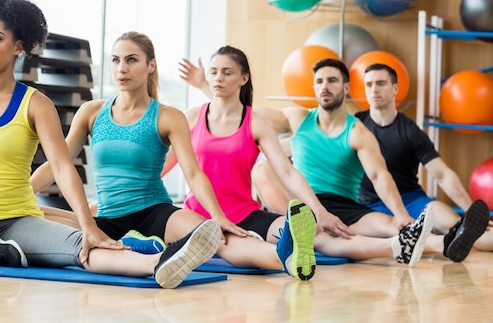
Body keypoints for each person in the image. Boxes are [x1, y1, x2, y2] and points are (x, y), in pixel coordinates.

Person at [0, 0, 220, 289]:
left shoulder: (34, 103)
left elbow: (63, 166)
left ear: (19, 45)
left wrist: (87, 224)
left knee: (85, 250)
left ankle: (162, 261)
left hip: (17, 223)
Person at [31, 32, 319, 280]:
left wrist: (217, 216)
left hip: (156, 214)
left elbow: (193, 173)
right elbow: (60, 161)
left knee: (216, 239)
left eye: (131, 60)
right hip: (106, 217)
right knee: (33, 215)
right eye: (116, 60)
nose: (122, 68)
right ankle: (148, 251)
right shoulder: (91, 112)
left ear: (150, 66)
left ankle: (287, 257)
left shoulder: (168, 116)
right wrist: (25, 190)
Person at [181, 56, 484, 264]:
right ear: (313, 88)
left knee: (395, 225)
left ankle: (444, 244)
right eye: (320, 81)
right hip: (303, 200)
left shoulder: (359, 132)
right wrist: (206, 85)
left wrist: (402, 214)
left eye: (332, 81)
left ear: (345, 88)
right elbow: (239, 112)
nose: (325, 86)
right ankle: (295, 225)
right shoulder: (298, 118)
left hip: (344, 205)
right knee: (264, 170)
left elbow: (380, 177)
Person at [356, 63, 491, 260]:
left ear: (395, 88)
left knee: (459, 226)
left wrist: (470, 210)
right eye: (368, 84)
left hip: (412, 200)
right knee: (394, 232)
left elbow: (442, 174)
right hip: (370, 205)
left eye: (380, 83)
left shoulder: (410, 131)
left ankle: (446, 237)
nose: (373, 89)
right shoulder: (354, 126)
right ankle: (435, 242)